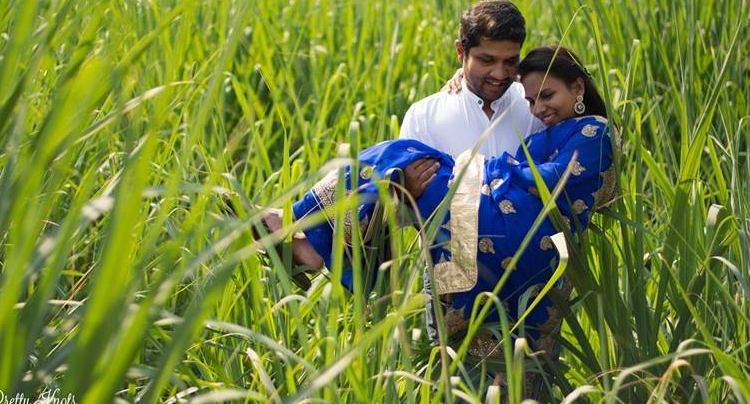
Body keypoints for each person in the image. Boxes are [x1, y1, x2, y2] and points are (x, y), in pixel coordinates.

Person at [264, 45, 617, 393]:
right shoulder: (433, 110)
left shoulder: (593, 130)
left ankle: (302, 231)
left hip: (516, 227)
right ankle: (309, 237)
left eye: (547, 96)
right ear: (462, 55)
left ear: (578, 88)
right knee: (401, 162)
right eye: (531, 101)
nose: (538, 109)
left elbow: (556, 178)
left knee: (399, 155)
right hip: (482, 224)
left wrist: (478, 166)